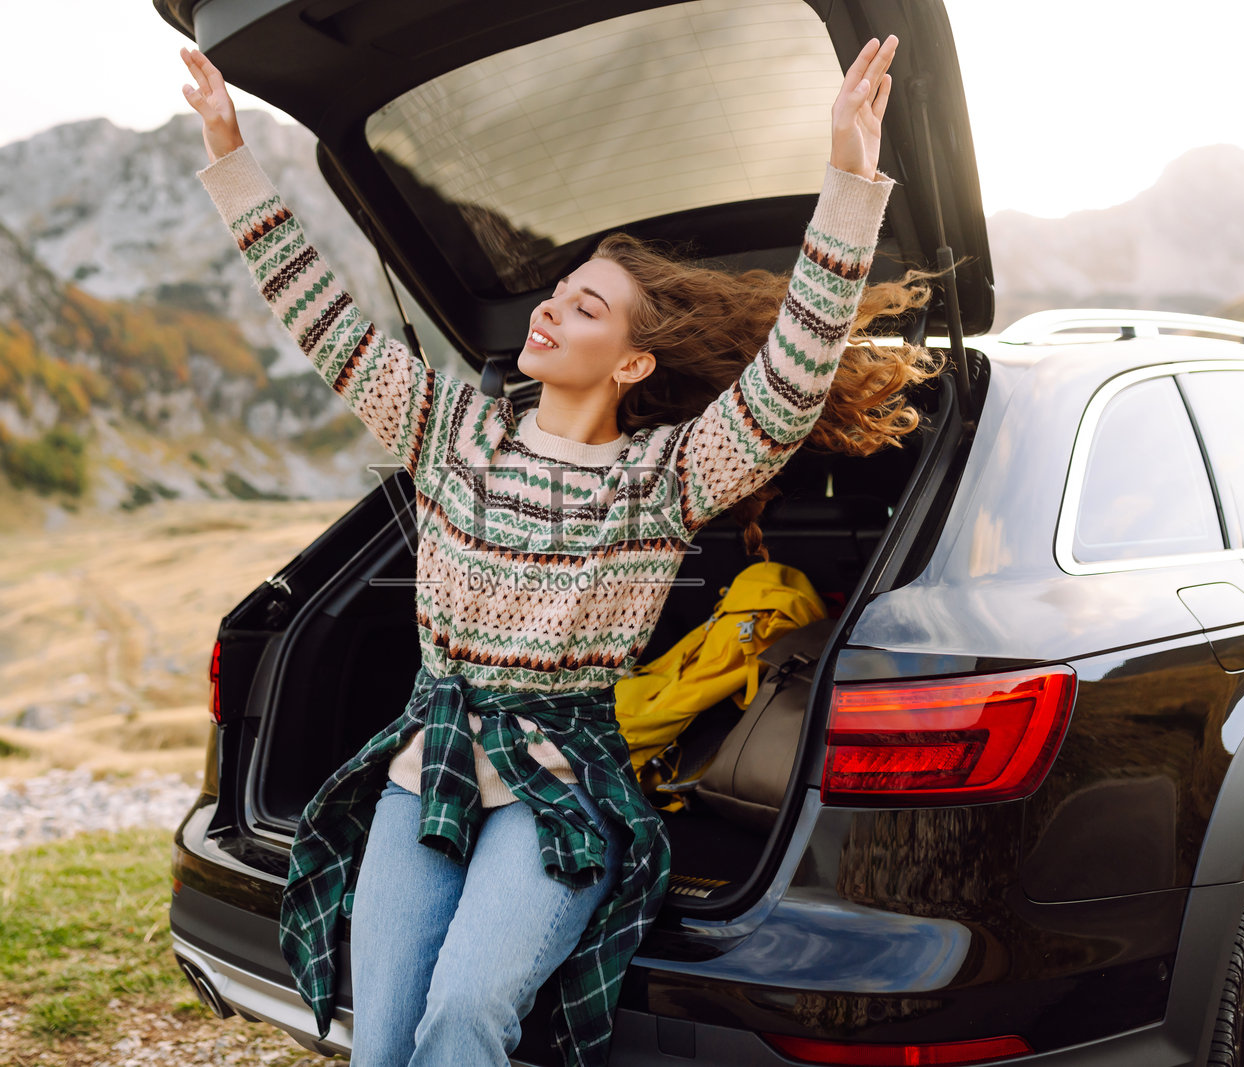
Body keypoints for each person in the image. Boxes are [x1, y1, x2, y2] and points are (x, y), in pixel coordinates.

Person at [180, 33, 937, 1067]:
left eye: (586, 306)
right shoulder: (449, 430)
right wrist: (231, 157)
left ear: (631, 362)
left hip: (562, 779)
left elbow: (790, 377)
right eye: (558, 291)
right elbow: (320, 314)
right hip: (427, 760)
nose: (549, 308)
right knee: (384, 1038)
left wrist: (848, 179)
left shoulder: (662, 477)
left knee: (465, 1013)